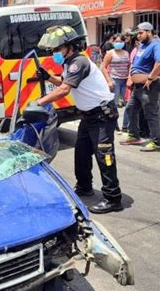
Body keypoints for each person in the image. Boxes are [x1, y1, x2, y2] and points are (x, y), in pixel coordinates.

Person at [36, 26, 122, 214]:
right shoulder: (69, 63)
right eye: (53, 50)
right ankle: (84, 187)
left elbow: (65, 89)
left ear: (69, 46)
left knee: (104, 155)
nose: (54, 54)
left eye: (57, 50)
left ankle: (113, 198)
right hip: (89, 115)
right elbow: (65, 82)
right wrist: (49, 77)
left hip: (101, 115)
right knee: (81, 153)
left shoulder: (79, 61)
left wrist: (39, 102)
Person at [120, 22, 160, 152]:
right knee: (130, 109)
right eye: (137, 34)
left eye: (141, 33)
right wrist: (132, 77)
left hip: (149, 86)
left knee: (151, 114)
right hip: (137, 87)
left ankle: (156, 142)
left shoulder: (156, 45)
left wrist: (151, 78)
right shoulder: (142, 45)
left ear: (149, 32)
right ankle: (134, 135)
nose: (138, 36)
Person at [101, 34, 130, 132]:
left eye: (120, 41)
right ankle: (114, 124)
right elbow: (103, 67)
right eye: (116, 41)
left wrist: (129, 77)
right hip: (115, 80)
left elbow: (129, 66)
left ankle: (126, 125)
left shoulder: (126, 53)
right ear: (113, 42)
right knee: (114, 104)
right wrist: (109, 80)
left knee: (129, 103)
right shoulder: (110, 53)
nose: (119, 43)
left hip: (125, 80)